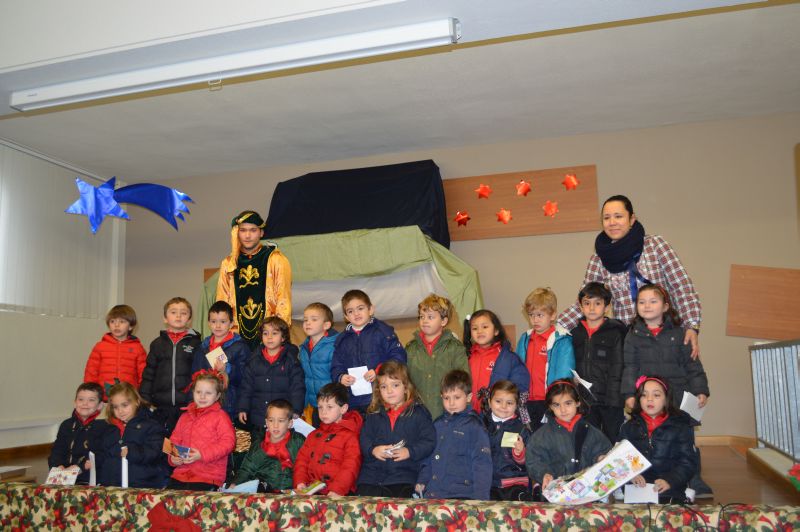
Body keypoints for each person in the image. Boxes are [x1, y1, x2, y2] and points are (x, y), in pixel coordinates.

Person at [558, 195, 702, 358]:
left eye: (618, 216)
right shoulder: (598, 259)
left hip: (666, 338)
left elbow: (682, 288)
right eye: (607, 218)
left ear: (632, 219)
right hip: (630, 345)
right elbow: (584, 302)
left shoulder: (655, 245)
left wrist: (692, 326)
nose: (612, 222)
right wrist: (555, 327)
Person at [620, 283, 712, 498]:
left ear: (665, 306)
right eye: (641, 302)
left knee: (685, 438)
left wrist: (701, 389)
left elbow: (693, 365)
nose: (647, 306)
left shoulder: (681, 334)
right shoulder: (632, 335)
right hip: (649, 397)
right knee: (652, 438)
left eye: (653, 301)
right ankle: (651, 475)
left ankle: (694, 478)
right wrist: (629, 394)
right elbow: (630, 367)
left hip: (677, 396)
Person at [357, 361, 436, 498]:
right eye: (384, 386)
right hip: (371, 477)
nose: (389, 391)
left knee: (400, 507)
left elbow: (429, 441)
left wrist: (410, 451)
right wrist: (372, 450)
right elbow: (364, 438)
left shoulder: (418, 413)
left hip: (403, 477)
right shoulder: (374, 413)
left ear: (406, 387)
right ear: (378, 391)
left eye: (395, 385)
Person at [215, 210, 292, 350]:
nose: (247, 235)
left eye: (253, 230)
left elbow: (283, 300)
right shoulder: (228, 263)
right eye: (243, 230)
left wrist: (277, 335)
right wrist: (222, 335)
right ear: (237, 233)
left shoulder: (276, 259)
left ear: (261, 233)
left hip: (268, 336)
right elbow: (222, 302)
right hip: (235, 336)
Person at [525, 380, 611, 498]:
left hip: (588, 495)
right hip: (556, 495)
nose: (563, 410)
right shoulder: (541, 436)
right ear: (550, 406)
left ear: (578, 402)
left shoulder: (592, 432)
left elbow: (603, 451)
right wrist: (544, 474)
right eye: (557, 405)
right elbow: (533, 461)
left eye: (568, 403)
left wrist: (601, 457)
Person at [620, 376, 698, 503]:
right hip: (637, 490)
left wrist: (670, 481)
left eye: (656, 395)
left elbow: (688, 462)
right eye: (644, 395)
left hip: (670, 489)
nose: (649, 399)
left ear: (666, 399)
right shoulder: (628, 428)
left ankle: (685, 494)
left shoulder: (681, 427)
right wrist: (631, 475)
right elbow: (620, 459)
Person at [416, 370, 492, 500]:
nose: (451, 403)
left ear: (468, 397)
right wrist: (422, 480)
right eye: (446, 398)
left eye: (457, 397)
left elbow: (482, 464)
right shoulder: (436, 425)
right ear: (441, 397)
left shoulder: (475, 426)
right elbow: (428, 457)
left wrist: (481, 499)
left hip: (463, 496)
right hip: (434, 494)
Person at [330, 289, 407, 416]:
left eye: (360, 308)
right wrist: (341, 377)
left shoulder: (383, 332)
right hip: (353, 401)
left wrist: (379, 370)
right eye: (350, 311)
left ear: (370, 309)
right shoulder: (342, 340)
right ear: (346, 317)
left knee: (379, 427)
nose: (356, 314)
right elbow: (336, 366)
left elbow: (399, 357)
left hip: (380, 397)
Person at [569, 282, 627, 442]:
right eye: (587, 303)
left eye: (597, 303)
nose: (592, 308)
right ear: (581, 307)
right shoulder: (575, 334)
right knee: (588, 441)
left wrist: (615, 400)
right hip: (585, 400)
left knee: (613, 441)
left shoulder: (616, 332)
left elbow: (619, 367)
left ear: (607, 307)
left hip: (611, 400)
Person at [139, 297, 201, 434]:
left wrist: (195, 400)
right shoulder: (157, 344)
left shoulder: (196, 343)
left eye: (183, 313)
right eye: (173, 312)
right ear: (165, 318)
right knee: (161, 439)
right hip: (160, 405)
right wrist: (145, 400)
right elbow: (149, 373)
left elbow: (200, 374)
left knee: (184, 439)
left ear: (189, 319)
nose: (178, 316)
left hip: (187, 405)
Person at [516, 289, 575, 430]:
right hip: (526, 400)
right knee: (529, 436)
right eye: (531, 315)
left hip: (549, 401)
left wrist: (556, 399)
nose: (535, 320)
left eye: (540, 315)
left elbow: (564, 373)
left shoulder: (561, 340)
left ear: (553, 315)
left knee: (550, 436)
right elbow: (517, 368)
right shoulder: (525, 339)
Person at [167, 370, 235, 491]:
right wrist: (173, 459)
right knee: (166, 500)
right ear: (193, 392)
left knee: (196, 501)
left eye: (208, 393)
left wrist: (202, 455)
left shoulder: (221, 417)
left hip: (208, 476)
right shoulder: (184, 417)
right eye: (198, 392)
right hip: (181, 474)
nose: (202, 396)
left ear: (217, 396)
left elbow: (228, 443)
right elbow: (174, 440)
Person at [405, 293, 470, 420]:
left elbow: (463, 381)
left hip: (447, 415)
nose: (424, 320)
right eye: (422, 316)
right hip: (417, 415)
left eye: (430, 317)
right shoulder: (410, 348)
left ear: (443, 321)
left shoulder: (455, 348)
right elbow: (404, 381)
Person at [293, 383, 363, 496]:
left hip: (338, 492)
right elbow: (302, 461)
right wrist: (300, 482)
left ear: (343, 409)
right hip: (312, 490)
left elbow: (350, 466)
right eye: (320, 407)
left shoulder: (350, 436)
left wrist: (337, 490)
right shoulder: (313, 435)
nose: (324, 412)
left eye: (329, 407)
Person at [238, 317, 305, 427]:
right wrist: (243, 408)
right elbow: (246, 387)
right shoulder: (253, 360)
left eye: (274, 333)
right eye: (265, 333)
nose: (269, 337)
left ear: (283, 338)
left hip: (281, 418)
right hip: (259, 417)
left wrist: (296, 409)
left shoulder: (291, 361)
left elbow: (297, 387)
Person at [191, 301, 251, 423]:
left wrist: (227, 369)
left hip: (228, 404)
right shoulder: (202, 347)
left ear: (231, 324)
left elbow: (246, 378)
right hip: (204, 403)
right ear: (208, 323)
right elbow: (194, 376)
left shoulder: (240, 347)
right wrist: (192, 402)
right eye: (214, 321)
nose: (218, 326)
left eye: (223, 322)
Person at [100, 382, 168, 488]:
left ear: (137, 401)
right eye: (115, 407)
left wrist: (132, 452)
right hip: (112, 484)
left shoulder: (151, 425)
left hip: (143, 484)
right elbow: (103, 454)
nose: (120, 411)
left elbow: (155, 451)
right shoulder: (110, 428)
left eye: (125, 405)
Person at [231, 399, 305, 492]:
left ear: (289, 423)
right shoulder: (259, 445)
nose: (275, 425)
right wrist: (235, 483)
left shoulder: (297, 441)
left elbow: (305, 466)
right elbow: (247, 469)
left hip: (290, 491)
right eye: (271, 420)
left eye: (281, 421)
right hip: (263, 492)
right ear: (266, 422)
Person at [465, 309, 529, 414]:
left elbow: (520, 388)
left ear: (496, 331)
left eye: (485, 327)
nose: (479, 331)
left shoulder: (509, 358)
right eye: (475, 328)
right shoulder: (467, 356)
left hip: (497, 415)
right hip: (470, 415)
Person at [49, 382, 112, 485]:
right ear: (75, 402)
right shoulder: (67, 425)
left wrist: (80, 467)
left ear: (100, 405)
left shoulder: (106, 427)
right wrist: (58, 466)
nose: (85, 403)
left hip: (91, 479)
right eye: (81, 399)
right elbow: (57, 450)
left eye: (91, 400)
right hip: (63, 476)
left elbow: (101, 454)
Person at [483, 380, 533, 501]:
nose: (503, 406)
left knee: (523, 505)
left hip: (515, 482)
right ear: (489, 402)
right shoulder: (481, 425)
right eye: (498, 401)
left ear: (516, 405)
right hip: (489, 484)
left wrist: (520, 453)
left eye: (509, 403)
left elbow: (531, 461)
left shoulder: (521, 429)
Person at [83, 304, 147, 394]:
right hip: (104, 397)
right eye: (112, 321)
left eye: (122, 321)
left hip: (128, 396)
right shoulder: (100, 347)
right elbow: (91, 372)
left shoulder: (138, 348)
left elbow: (144, 375)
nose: (116, 325)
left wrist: (142, 394)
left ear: (130, 326)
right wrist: (91, 393)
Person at [298, 302, 338, 426]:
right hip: (316, 405)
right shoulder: (303, 348)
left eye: (314, 319)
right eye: (305, 320)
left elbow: (339, 374)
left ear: (326, 325)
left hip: (333, 405)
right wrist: (302, 404)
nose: (308, 323)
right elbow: (305, 378)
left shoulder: (335, 346)